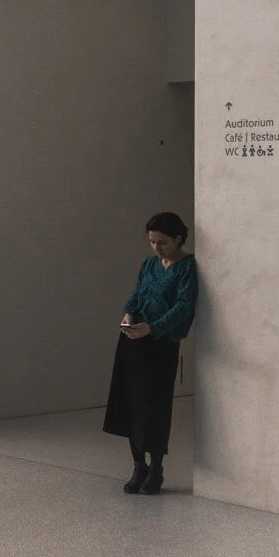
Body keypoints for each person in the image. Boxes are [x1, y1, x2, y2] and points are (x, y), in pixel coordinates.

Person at [102, 211, 197, 494]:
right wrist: (129, 314)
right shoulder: (148, 264)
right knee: (130, 402)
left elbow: (184, 307)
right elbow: (137, 294)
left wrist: (152, 328)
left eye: (162, 242)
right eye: (152, 242)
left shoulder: (187, 267)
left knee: (155, 406)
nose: (156, 247)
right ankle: (138, 466)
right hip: (133, 339)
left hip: (161, 343)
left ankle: (156, 468)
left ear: (178, 238)